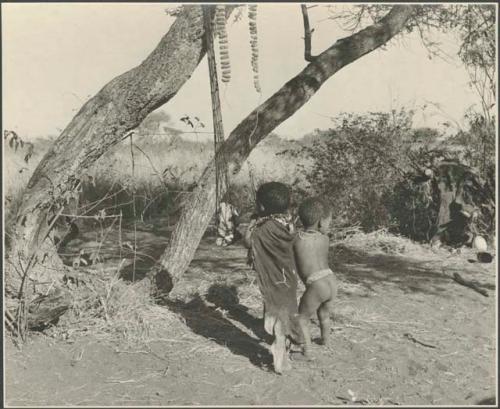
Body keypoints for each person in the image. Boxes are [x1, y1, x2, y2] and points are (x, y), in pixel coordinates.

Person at [243, 182, 302, 374]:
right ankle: (289, 341)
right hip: (289, 277)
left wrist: (251, 223)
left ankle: (279, 348)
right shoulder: (288, 222)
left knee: (274, 308)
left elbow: (249, 241)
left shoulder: (263, 228)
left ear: (260, 206)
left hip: (273, 277)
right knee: (288, 308)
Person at [293, 196, 337, 360]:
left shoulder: (296, 239)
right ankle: (326, 340)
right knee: (324, 316)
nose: (329, 225)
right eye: (328, 222)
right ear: (320, 222)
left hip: (316, 283)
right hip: (331, 279)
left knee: (302, 318)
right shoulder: (325, 239)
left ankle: (307, 352)